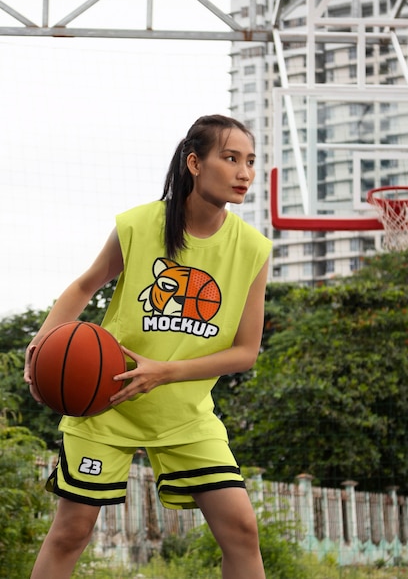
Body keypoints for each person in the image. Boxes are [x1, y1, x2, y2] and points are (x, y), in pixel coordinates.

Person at [24, 114, 271, 579]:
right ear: (194, 163)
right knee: (71, 531)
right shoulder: (141, 225)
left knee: (241, 529)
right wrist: (41, 346)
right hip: (106, 403)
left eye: (251, 161)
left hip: (184, 414)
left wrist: (165, 372)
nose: (244, 172)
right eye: (231, 158)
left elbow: (246, 352)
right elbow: (84, 285)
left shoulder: (252, 249)